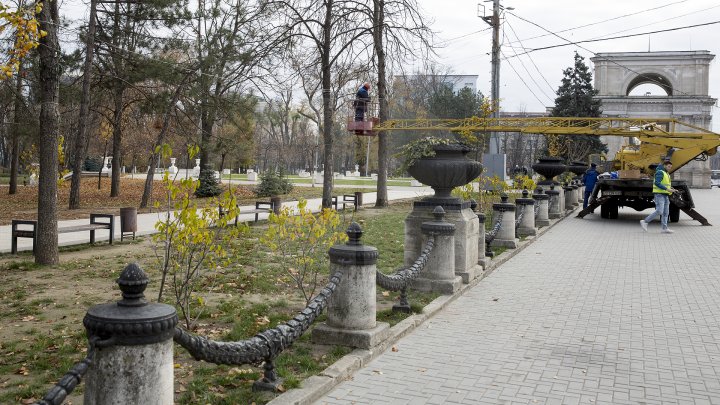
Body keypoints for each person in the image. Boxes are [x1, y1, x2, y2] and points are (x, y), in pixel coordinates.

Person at [640, 159, 677, 234]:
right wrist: (667, 189)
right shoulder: (660, 172)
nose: (670, 168)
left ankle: (664, 228)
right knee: (660, 211)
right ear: (664, 166)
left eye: (670, 167)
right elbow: (657, 183)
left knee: (666, 212)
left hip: (665, 195)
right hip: (659, 194)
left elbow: (666, 184)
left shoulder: (666, 173)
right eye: (669, 166)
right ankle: (645, 221)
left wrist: (671, 189)